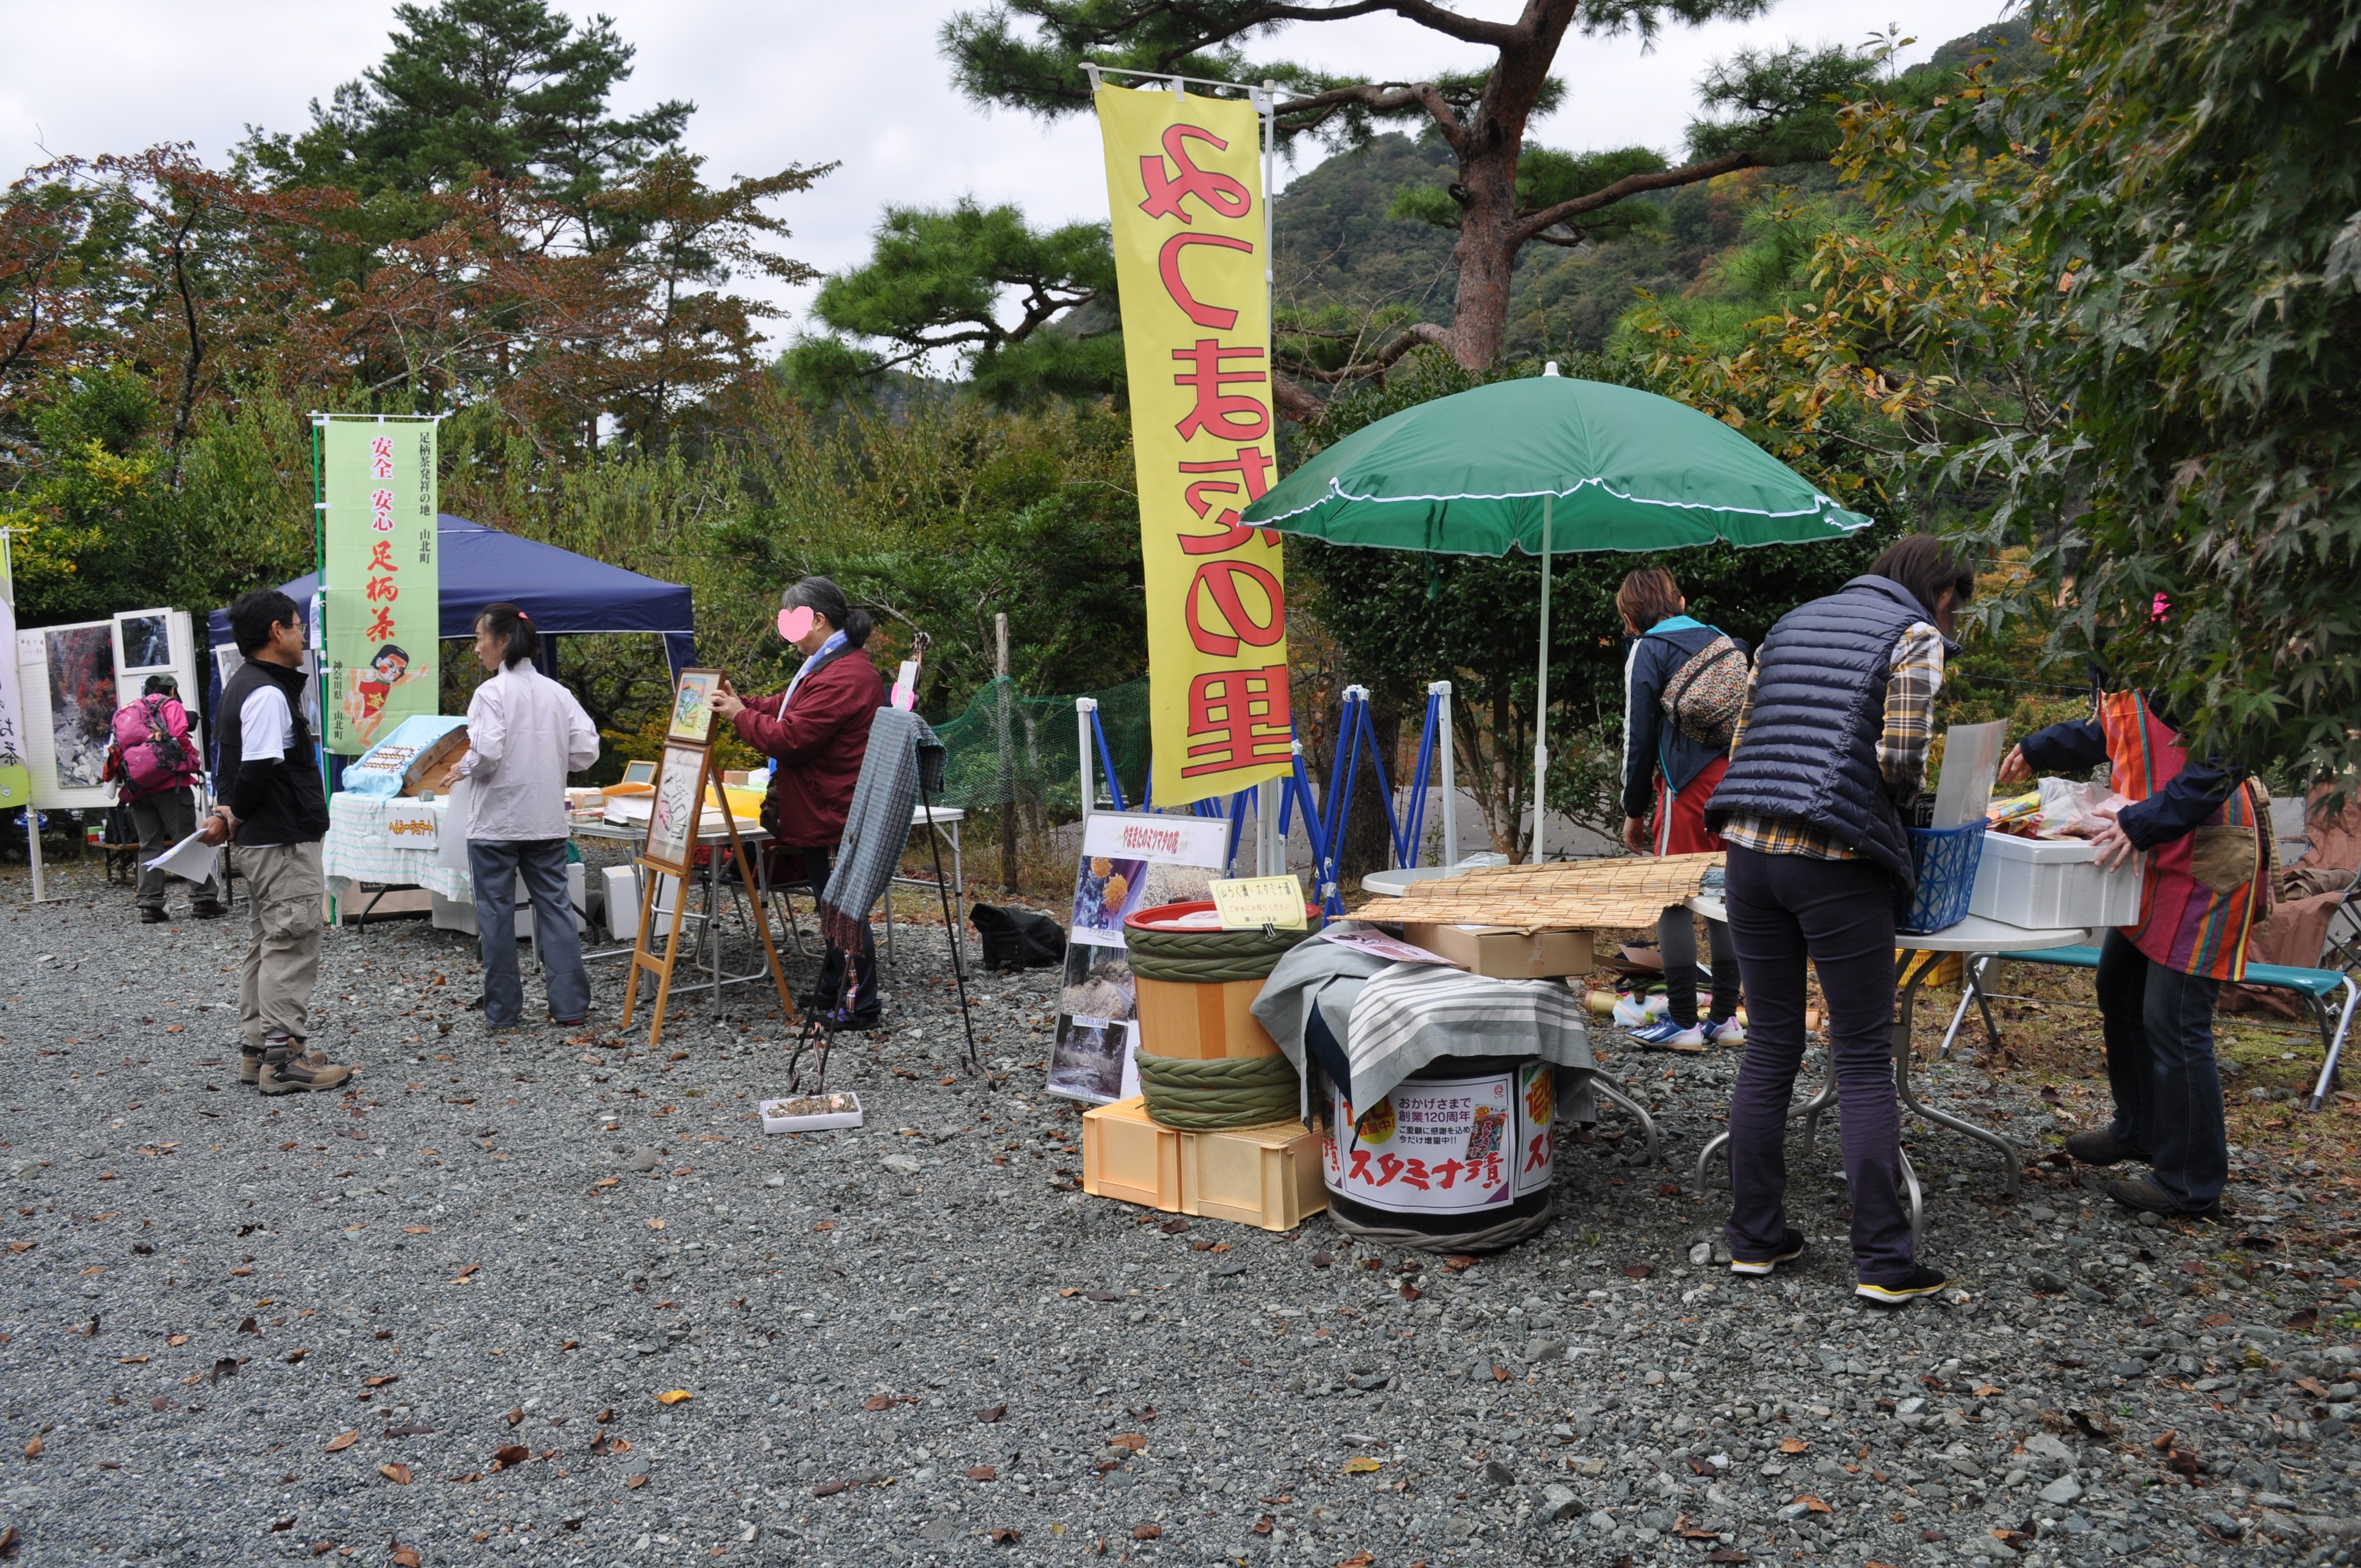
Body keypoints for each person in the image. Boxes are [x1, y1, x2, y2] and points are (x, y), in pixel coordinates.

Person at [1704, 534, 1974, 1305]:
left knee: (1770, 1045)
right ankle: (1883, 1261)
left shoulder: (1790, 623)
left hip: (1749, 850)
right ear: (1939, 590)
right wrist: (1902, 808)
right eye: (1955, 604)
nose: (1952, 618)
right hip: (1835, 857)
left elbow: (1743, 737)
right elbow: (1901, 761)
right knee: (1860, 1054)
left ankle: (1755, 1239)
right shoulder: (1913, 635)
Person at [1997, 684, 2268, 1221]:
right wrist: (2039, 747)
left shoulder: (2185, 651)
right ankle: (2140, 1129)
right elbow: (2114, 727)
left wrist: (2145, 820)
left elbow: (2224, 758)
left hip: (2203, 851)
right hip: (2149, 847)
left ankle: (2190, 1183)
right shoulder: (2126, 656)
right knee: (2118, 992)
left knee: (2174, 1019)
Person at [710, 576, 886, 1025]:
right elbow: (785, 706)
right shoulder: (829, 664)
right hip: (823, 806)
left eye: (792, 621)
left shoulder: (845, 674)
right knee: (831, 907)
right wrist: (742, 703)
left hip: (833, 811)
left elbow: (791, 738)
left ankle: (858, 1005)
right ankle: (835, 989)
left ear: (818, 619)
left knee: (842, 910)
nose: (787, 634)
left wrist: (740, 715)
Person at [196, 589, 347, 1094]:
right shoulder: (265, 692)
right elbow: (258, 767)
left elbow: (236, 767)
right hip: (281, 840)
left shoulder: (244, 684)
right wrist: (236, 813)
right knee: (291, 941)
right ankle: (282, 1061)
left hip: (266, 841)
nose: (304, 636)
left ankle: (258, 1051)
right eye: (299, 626)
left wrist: (230, 813)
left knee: (266, 943)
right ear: (277, 632)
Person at [452, 603, 600, 1031]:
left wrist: (462, 767)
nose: (477, 648)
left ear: (502, 642)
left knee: (496, 916)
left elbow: (486, 753)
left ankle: (503, 1012)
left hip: (495, 822)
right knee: (555, 909)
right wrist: (550, 759)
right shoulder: (558, 693)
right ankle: (570, 1007)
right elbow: (586, 751)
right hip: (545, 817)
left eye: (480, 638)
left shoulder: (490, 693)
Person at [1614, 567, 1744, 1049]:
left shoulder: (1648, 649)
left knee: (1673, 895)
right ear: (1681, 601)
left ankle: (1685, 1021)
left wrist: (1634, 807)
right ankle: (1726, 1020)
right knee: (1726, 895)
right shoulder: (1720, 640)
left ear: (1631, 618)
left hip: (1686, 787)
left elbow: (1639, 736)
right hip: (1737, 782)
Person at [112, 673, 222, 922]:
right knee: (186, 842)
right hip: (171, 786)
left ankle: (150, 906)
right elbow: (180, 737)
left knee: (149, 845)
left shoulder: (130, 711)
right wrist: (193, 755)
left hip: (138, 788)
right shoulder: (170, 705)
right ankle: (204, 900)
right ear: (172, 690)